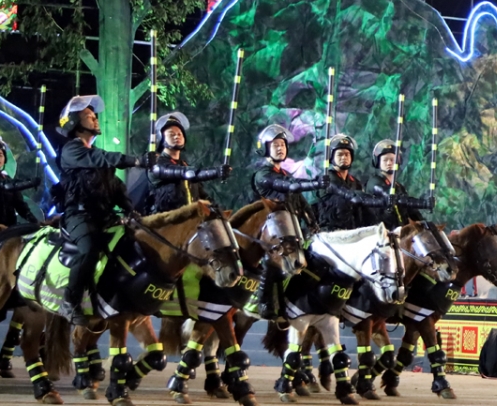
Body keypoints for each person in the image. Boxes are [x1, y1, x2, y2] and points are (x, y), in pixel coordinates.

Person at [56, 95, 151, 326]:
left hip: (106, 217)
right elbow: (102, 158)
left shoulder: (96, 154)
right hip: (79, 216)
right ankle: (70, 301)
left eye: (94, 115)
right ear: (74, 124)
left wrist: (130, 210)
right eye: (89, 116)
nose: (95, 119)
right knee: (88, 249)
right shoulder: (73, 151)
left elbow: (116, 186)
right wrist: (137, 161)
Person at [250, 124, 328, 319]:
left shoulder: (285, 175)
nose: (280, 148)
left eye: (283, 144)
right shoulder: (263, 175)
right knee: (272, 259)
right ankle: (263, 300)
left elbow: (300, 201)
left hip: (290, 229)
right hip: (269, 228)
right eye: (275, 144)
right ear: (265, 148)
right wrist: (314, 183)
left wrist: (311, 222)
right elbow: (286, 187)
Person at [142, 113, 231, 215]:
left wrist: (217, 209)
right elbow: (187, 174)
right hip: (165, 221)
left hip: (189, 220)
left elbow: (201, 195)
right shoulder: (156, 165)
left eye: (180, 134)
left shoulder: (184, 164)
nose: (177, 136)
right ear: (161, 139)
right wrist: (216, 172)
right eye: (171, 134)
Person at [312, 134, 387, 232]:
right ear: (331, 157)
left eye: (347, 154)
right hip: (330, 230)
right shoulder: (326, 179)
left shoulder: (355, 182)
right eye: (340, 154)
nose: (344, 157)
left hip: (352, 231)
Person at [365, 139, 434, 229]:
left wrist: (423, 221)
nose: (389, 163)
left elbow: (411, 210)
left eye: (392, 160)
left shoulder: (399, 187)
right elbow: (395, 197)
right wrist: (422, 203)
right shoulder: (374, 182)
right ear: (378, 162)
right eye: (385, 160)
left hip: (401, 232)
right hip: (382, 233)